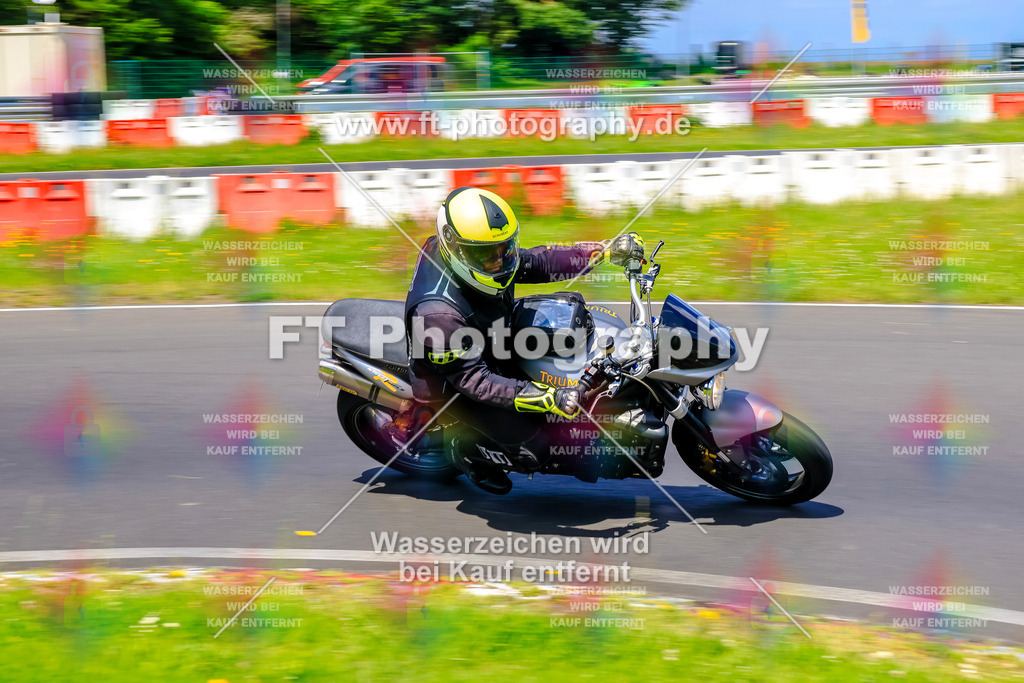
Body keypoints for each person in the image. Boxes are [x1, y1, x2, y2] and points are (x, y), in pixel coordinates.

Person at [404, 186, 643, 491]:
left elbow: (540, 262)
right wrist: (548, 397)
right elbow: (476, 382)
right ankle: (467, 453)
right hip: (456, 382)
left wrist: (604, 251)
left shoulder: (478, 254)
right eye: (487, 255)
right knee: (536, 448)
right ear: (456, 250)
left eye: (505, 248)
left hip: (489, 335)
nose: (500, 261)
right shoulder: (437, 315)